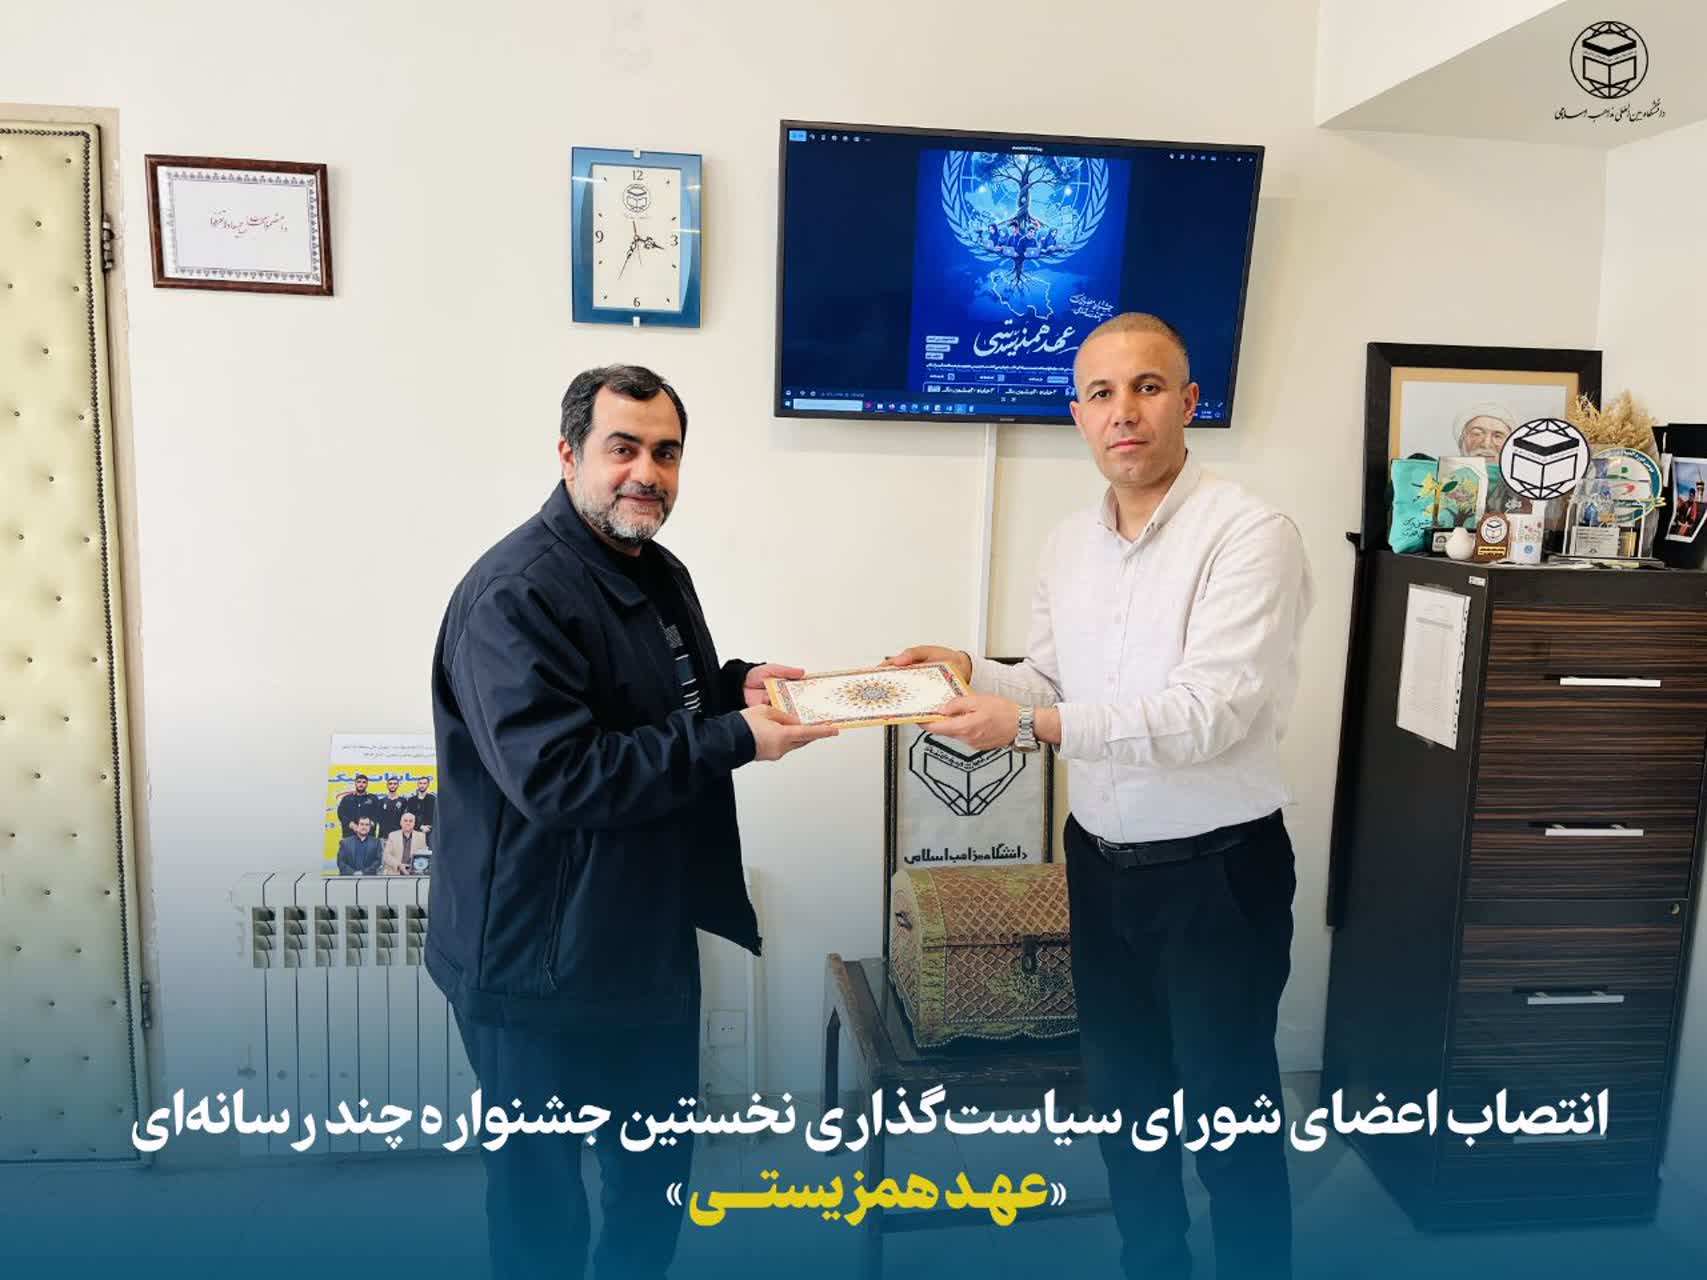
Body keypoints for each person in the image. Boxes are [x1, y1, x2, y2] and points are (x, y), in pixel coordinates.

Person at [889, 312, 1312, 1280]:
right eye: (1101, 393)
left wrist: (1027, 725)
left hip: (1218, 875)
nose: (1124, 411)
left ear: (1188, 401)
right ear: (1076, 414)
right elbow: (1050, 680)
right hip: (1100, 866)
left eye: (1147, 387)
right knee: (1126, 1111)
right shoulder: (1066, 544)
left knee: (1228, 1122)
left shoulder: (1250, 534)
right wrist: (973, 670)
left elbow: (1207, 714)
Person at [426, 364, 836, 1280]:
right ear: (569, 454)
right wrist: (736, 738)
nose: (645, 472)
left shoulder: (651, 568)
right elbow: (560, 776)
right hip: (533, 960)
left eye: (666, 452)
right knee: (541, 1206)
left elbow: (654, 701)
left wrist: (736, 688)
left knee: (654, 1181)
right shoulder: (515, 594)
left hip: (638, 942)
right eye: (623, 449)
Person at [382, 809, 429, 875]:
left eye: (410, 821)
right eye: (405, 821)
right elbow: (386, 855)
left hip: (414, 873)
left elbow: (423, 855)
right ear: (400, 823)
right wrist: (399, 865)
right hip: (395, 872)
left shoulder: (421, 836)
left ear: (414, 824)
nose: (408, 823)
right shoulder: (392, 835)